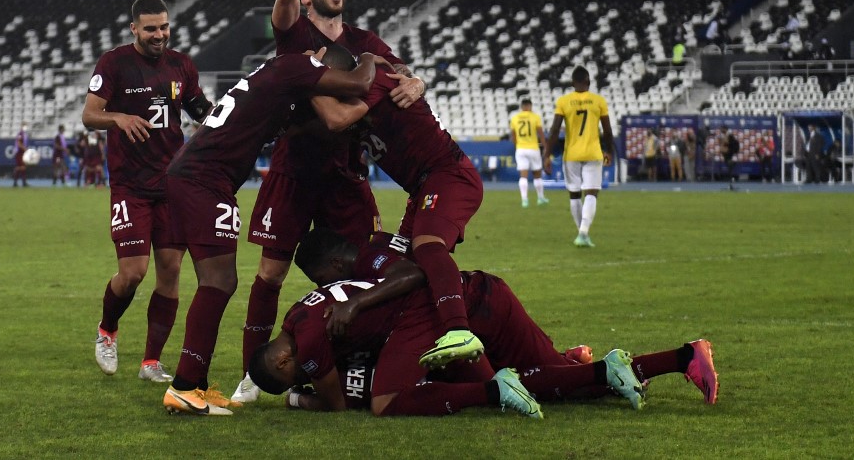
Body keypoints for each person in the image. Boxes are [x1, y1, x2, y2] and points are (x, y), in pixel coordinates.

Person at [232, 0, 427, 404]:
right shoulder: (294, 33)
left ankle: (359, 363)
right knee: (270, 274)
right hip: (294, 170)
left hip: (346, 174)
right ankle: (252, 375)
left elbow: (403, 70)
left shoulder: (364, 42)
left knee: (363, 273)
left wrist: (418, 80)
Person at [249, 228, 718, 414]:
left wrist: (302, 399)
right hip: (480, 294)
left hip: (448, 314)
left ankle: (501, 386)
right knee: (565, 380)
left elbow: (336, 400)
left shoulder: (314, 325)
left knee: (385, 402)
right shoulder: (358, 262)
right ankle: (677, 357)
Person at [161, 45, 381, 417]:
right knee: (218, 282)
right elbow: (348, 98)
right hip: (204, 178)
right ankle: (184, 386)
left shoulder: (284, 84)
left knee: (219, 282)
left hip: (201, 175)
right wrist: (373, 59)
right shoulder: (296, 70)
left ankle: (192, 383)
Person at [310, 47, 487, 372]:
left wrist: (312, 76)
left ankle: (459, 331)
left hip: (446, 173)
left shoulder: (369, 83)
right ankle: (439, 343)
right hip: (421, 187)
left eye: (323, 79)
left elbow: (337, 119)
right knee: (405, 266)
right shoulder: (355, 96)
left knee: (428, 246)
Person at [82, 0, 212, 385]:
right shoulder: (115, 62)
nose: (160, 35)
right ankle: (107, 331)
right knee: (133, 272)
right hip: (130, 186)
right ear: (134, 28)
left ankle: (151, 362)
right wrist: (119, 117)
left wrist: (225, 123)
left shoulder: (181, 65)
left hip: (172, 185)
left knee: (170, 272)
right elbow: (89, 115)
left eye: (165, 27)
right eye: (151, 28)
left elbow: (200, 110)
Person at [543, 66, 613, 248]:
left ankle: (581, 233)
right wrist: (610, 151)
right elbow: (607, 130)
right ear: (589, 82)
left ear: (573, 83)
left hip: (571, 154)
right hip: (593, 152)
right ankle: (583, 232)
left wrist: (546, 155)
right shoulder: (599, 101)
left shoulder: (564, 101)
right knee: (591, 192)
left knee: (574, 195)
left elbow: (555, 129)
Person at [509, 98, 548, 207]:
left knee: (523, 175)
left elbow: (513, 136)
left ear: (522, 107)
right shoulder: (535, 117)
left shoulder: (515, 118)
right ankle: (540, 198)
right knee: (537, 174)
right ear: (530, 106)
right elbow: (541, 134)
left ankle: (524, 200)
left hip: (521, 149)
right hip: (533, 148)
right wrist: (545, 147)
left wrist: (518, 145)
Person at [12, 122, 29, 187]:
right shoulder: (20, 134)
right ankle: (21, 182)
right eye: (24, 126)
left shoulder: (25, 135)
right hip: (19, 152)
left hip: (22, 152)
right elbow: (19, 144)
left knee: (22, 167)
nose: (25, 127)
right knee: (22, 167)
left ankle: (19, 182)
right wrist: (25, 149)